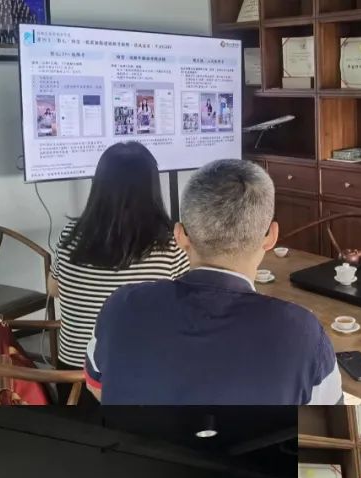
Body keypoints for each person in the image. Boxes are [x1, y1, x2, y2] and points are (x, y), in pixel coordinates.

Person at [85, 159, 342, 405]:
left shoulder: (120, 306)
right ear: (271, 237)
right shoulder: (303, 335)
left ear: (180, 236)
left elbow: (96, 386)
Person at [50, 142, 190, 382]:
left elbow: (53, 289)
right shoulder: (170, 245)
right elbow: (188, 308)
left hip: (72, 377)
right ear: (152, 189)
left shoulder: (71, 235)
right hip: (137, 379)